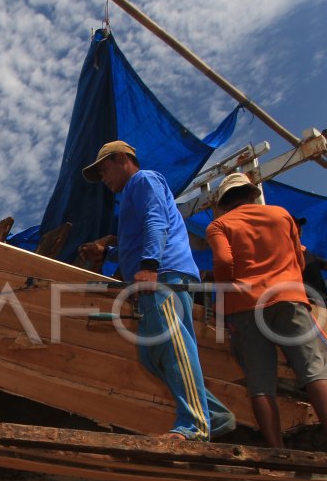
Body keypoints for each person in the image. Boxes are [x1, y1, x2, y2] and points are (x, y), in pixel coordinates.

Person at [204, 173, 327, 456]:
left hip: (243, 308)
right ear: (251, 194)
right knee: (314, 369)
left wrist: (230, 287)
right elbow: (300, 258)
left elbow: (223, 260)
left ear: (223, 202)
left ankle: (277, 451)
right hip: (287, 298)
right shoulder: (282, 215)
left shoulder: (219, 225)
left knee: (261, 384)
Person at [78, 140, 236, 441]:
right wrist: (107, 253)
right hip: (155, 277)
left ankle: (193, 425)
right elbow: (133, 244)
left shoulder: (143, 180)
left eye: (104, 170)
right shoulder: (128, 198)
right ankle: (215, 414)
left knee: (172, 346)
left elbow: (156, 221)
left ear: (123, 158)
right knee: (152, 356)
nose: (103, 179)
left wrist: (150, 265)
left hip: (164, 275)